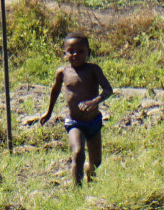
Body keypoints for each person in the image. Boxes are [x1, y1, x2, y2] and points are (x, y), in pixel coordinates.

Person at [28, 32, 114, 185]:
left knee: (96, 162)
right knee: (78, 153)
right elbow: (55, 91)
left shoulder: (93, 70)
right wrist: (48, 112)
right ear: (64, 54)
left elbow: (108, 90)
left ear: (88, 52)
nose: (76, 54)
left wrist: (94, 101)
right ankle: (77, 191)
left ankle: (90, 171)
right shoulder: (63, 72)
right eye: (71, 51)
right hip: (75, 122)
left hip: (93, 121)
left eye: (81, 51)